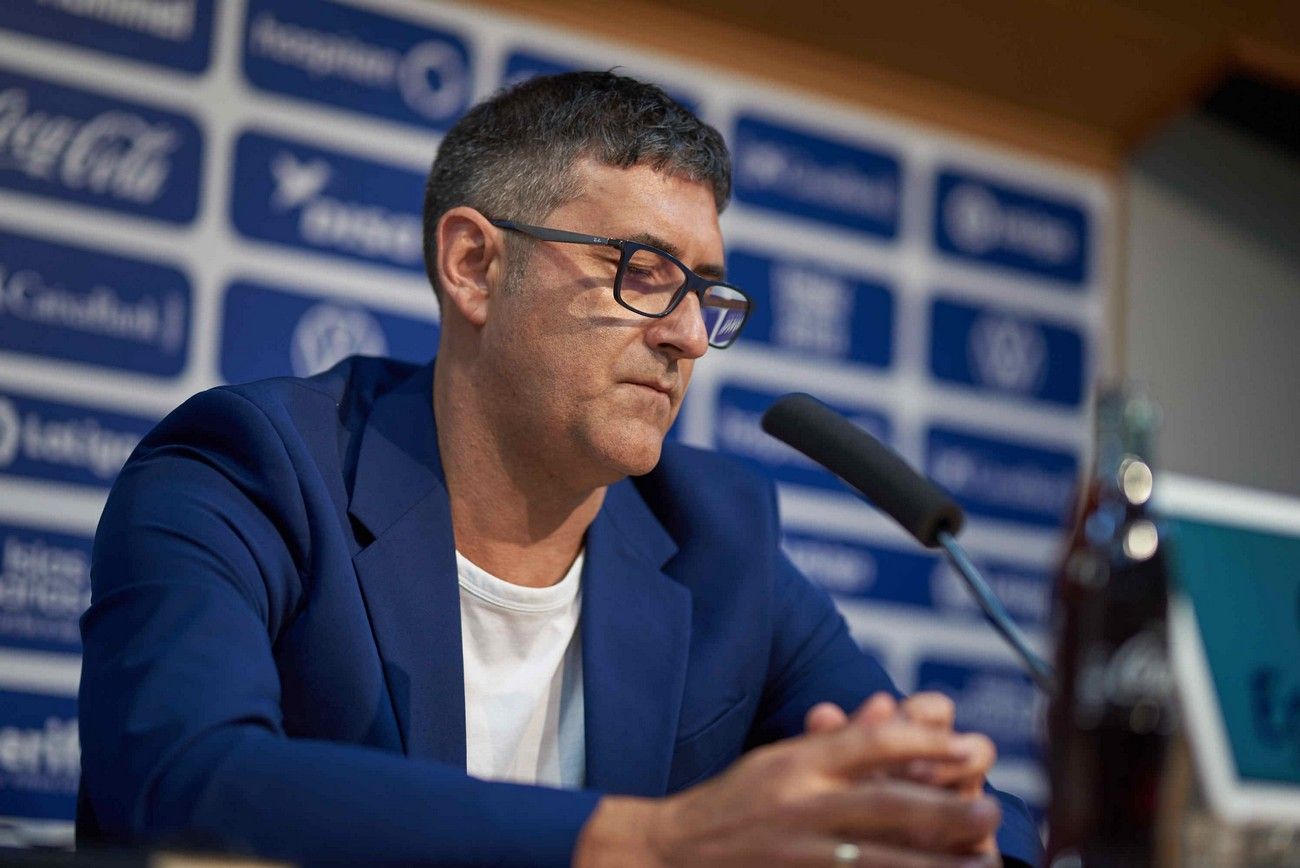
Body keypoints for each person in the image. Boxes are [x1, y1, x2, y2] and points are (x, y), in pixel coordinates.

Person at [78, 71, 1042, 867]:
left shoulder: (715, 535)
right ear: (474, 266)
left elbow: (1008, 827)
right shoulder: (252, 468)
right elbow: (180, 781)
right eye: (645, 270)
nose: (688, 339)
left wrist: (937, 819)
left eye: (707, 293)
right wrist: (653, 844)